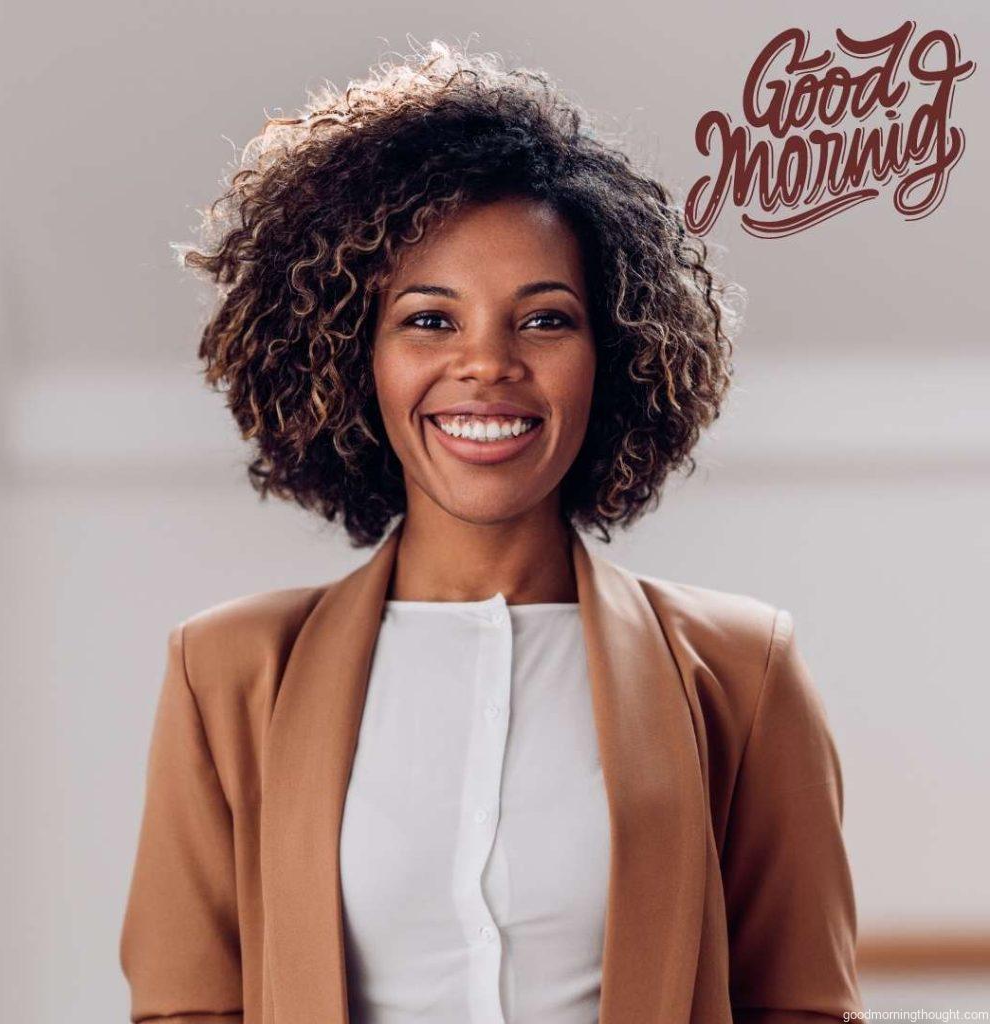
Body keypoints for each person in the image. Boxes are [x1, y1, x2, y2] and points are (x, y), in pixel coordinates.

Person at [119, 41, 864, 1024]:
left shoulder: (741, 673)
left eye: (543, 320)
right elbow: (184, 1008)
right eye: (430, 320)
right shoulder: (227, 672)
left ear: (615, 357)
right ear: (355, 358)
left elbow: (804, 1006)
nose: (487, 365)